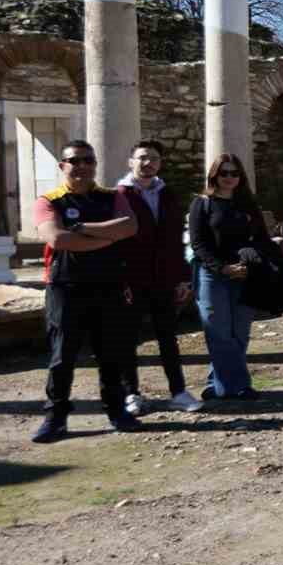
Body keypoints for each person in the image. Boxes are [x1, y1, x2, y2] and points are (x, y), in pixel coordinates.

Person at [31, 139, 139, 442]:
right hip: (65, 287)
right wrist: (107, 236)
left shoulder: (112, 196)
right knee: (62, 356)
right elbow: (57, 239)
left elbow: (130, 227)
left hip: (108, 285)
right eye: (74, 160)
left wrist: (80, 229)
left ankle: (117, 410)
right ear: (62, 165)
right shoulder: (49, 201)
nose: (82, 166)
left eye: (88, 160)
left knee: (111, 353)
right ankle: (56, 417)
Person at [116, 139, 196, 415]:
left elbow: (176, 239)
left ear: (160, 163)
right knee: (127, 338)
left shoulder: (168, 194)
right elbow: (116, 243)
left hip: (164, 278)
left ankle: (179, 391)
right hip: (133, 280)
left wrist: (183, 278)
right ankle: (130, 394)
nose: (147, 163)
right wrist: (120, 281)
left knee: (168, 338)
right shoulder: (119, 195)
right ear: (131, 162)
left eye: (153, 158)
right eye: (142, 158)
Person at [189, 154, 270, 401]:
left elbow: (261, 238)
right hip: (213, 276)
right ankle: (239, 386)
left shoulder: (248, 204)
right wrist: (223, 268)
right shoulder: (202, 203)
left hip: (245, 274)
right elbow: (198, 243)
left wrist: (250, 261)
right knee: (219, 332)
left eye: (234, 173)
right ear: (214, 175)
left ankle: (218, 383)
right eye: (224, 173)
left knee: (239, 333)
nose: (229, 178)